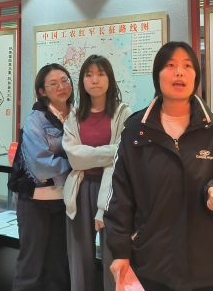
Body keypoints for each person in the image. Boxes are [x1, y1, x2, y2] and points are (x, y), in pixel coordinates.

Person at [104, 41, 213, 291]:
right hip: (151, 263)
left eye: (187, 66)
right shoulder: (135, 130)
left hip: (208, 265)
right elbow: (119, 195)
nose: (179, 73)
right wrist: (120, 251)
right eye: (170, 65)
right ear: (157, 76)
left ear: (195, 76)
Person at [62, 55, 132, 291]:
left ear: (109, 79)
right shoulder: (74, 115)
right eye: (89, 75)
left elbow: (124, 153)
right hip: (80, 189)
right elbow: (74, 157)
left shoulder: (122, 112)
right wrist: (109, 153)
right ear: (82, 81)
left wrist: (90, 154)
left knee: (114, 255)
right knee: (79, 256)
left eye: (101, 74)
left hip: (113, 190)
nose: (95, 80)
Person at [12, 63, 73, 291]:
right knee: (31, 269)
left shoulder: (77, 116)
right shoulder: (36, 120)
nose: (61, 87)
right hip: (35, 203)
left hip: (65, 201)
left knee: (57, 269)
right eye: (53, 83)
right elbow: (41, 167)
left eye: (65, 81)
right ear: (42, 91)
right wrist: (77, 165)